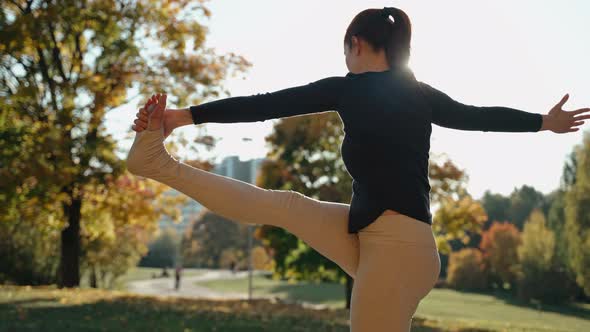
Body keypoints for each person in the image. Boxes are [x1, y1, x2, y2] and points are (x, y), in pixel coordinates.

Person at [127, 7, 589, 331]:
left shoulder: (393, 91)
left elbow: (477, 116)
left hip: (399, 251)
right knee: (284, 206)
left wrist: (542, 123)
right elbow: (266, 105)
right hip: (366, 234)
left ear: (357, 43)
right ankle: (157, 163)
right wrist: (176, 118)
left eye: (345, 49)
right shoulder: (388, 91)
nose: (344, 58)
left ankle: (159, 159)